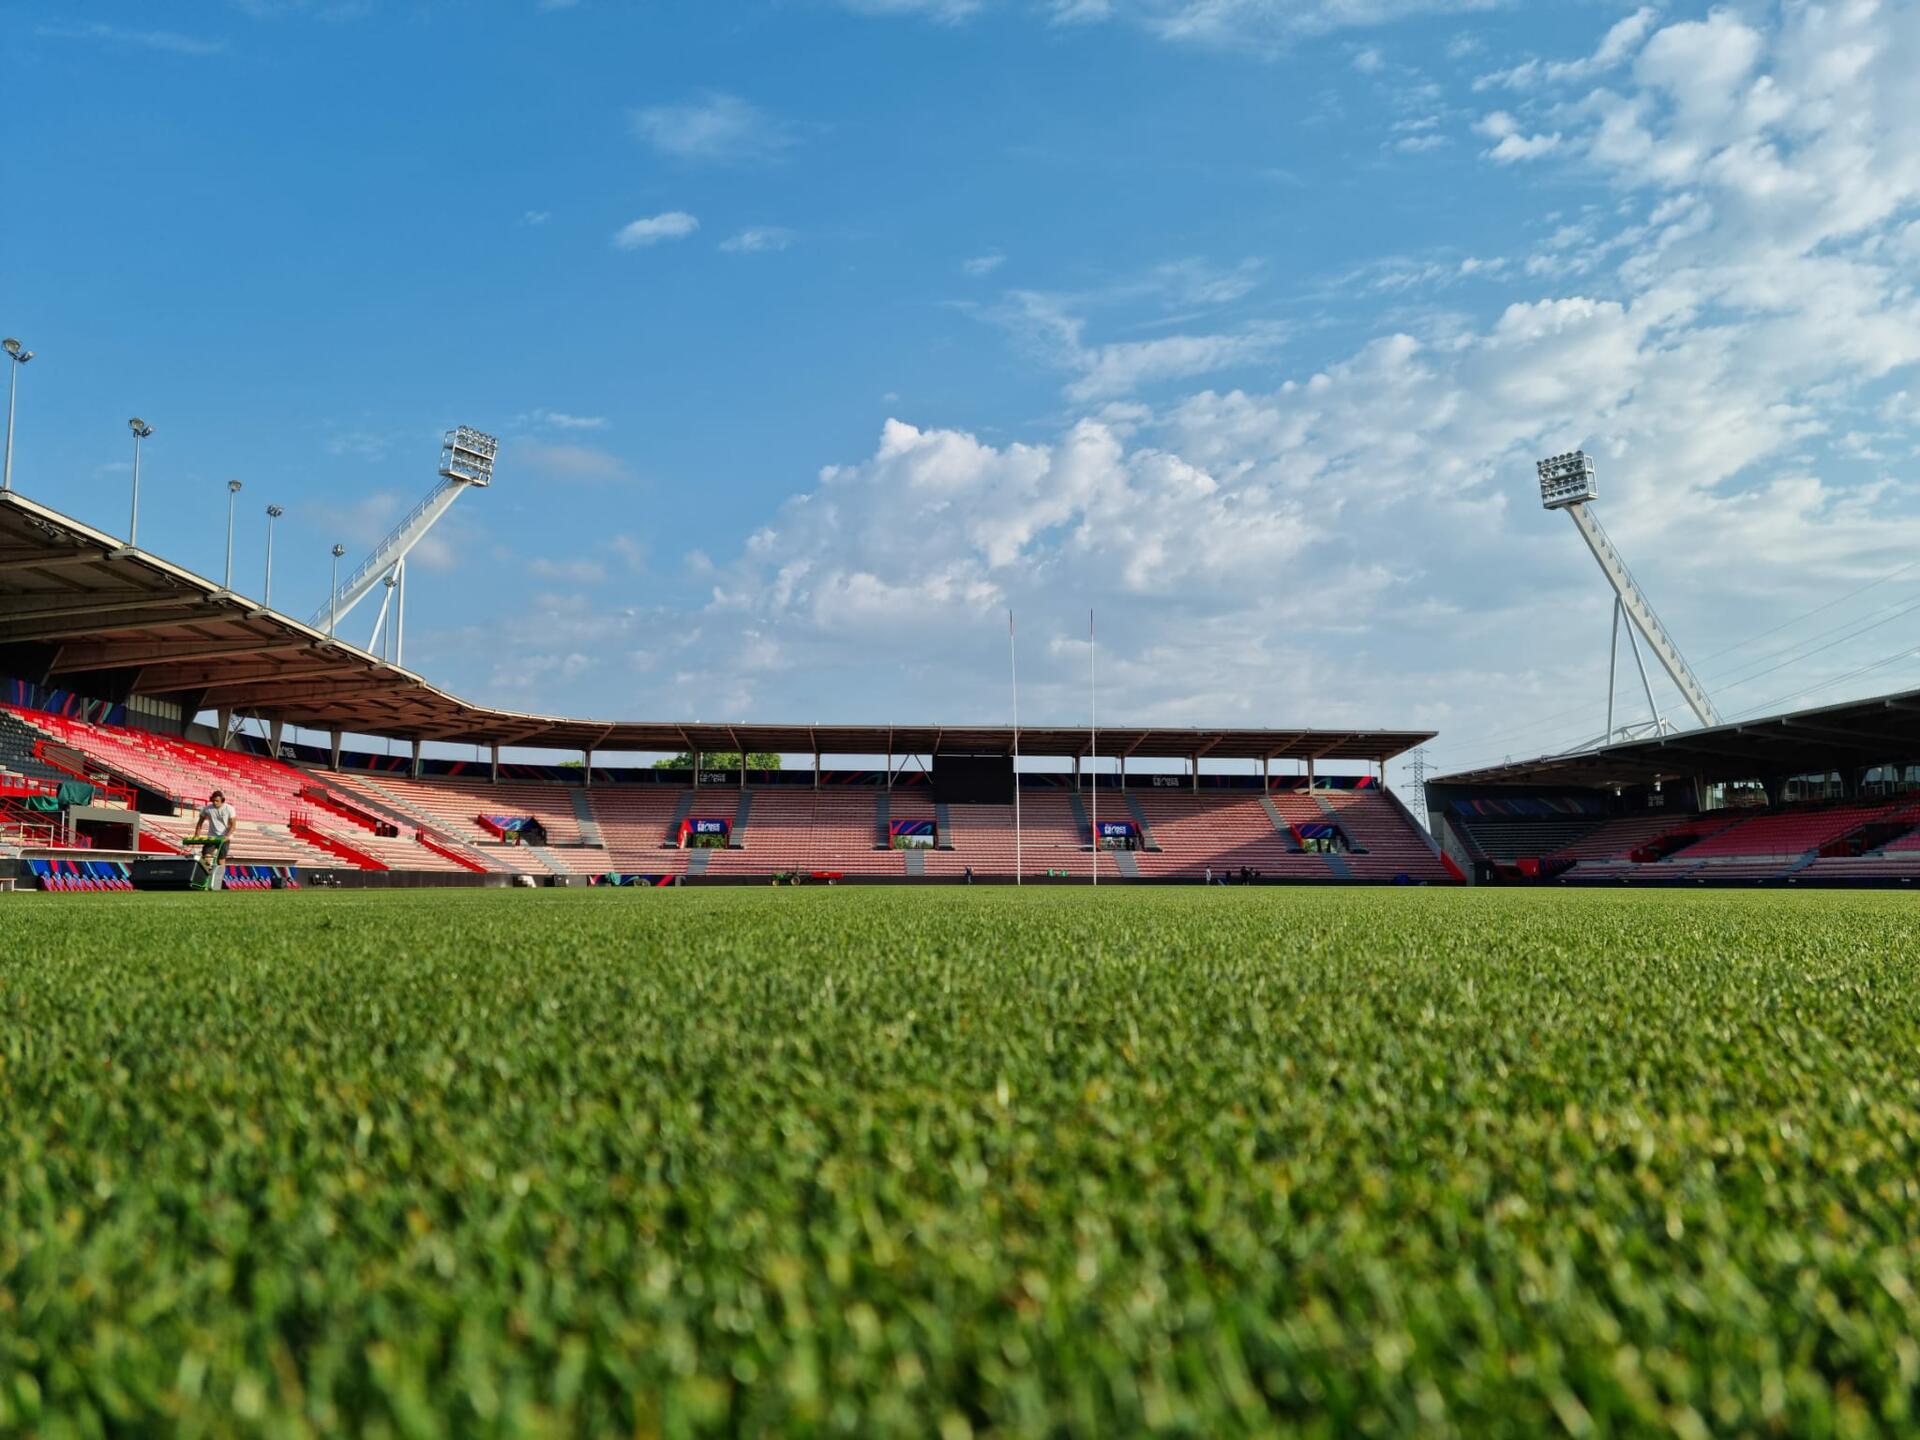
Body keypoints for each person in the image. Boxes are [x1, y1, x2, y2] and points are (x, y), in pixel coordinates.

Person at [190, 789, 237, 891]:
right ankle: (205, 878)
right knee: (206, 858)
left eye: (217, 801)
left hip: (224, 838)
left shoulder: (229, 809)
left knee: (221, 860)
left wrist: (227, 836)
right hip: (212, 837)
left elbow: (233, 826)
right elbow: (199, 823)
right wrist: (196, 835)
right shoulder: (207, 809)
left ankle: (220, 881)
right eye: (213, 801)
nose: (215, 803)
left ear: (222, 800)